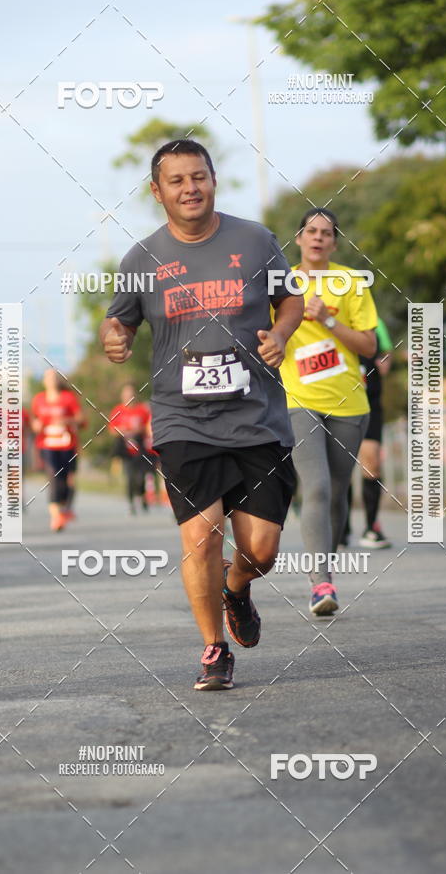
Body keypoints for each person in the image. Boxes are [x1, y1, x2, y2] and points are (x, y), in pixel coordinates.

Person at [100, 139, 303, 691]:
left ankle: (237, 589)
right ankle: (214, 648)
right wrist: (114, 337)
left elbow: (290, 299)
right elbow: (118, 321)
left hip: (256, 416)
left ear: (214, 181)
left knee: (260, 549)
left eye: (199, 177)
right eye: (177, 181)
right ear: (157, 191)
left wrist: (281, 334)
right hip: (182, 419)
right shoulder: (142, 259)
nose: (190, 188)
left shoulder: (255, 240)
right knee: (202, 536)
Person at [278, 208, 377, 615]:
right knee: (315, 486)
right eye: (311, 231)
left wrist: (328, 322)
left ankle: (327, 571)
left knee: (337, 493)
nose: (318, 238)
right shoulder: (280, 283)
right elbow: (261, 333)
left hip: (349, 401)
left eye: (327, 233)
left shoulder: (351, 281)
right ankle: (320, 584)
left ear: (335, 242)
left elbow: (370, 347)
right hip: (298, 398)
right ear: (299, 238)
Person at [343, 319, 393, 548]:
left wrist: (383, 361)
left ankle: (371, 527)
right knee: (340, 467)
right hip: (339, 403)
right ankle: (341, 528)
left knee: (371, 461)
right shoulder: (328, 313)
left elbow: (385, 356)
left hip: (369, 402)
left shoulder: (374, 320)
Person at [31, 369, 86, 532]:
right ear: (44, 382)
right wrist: (37, 425)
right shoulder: (38, 400)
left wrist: (67, 420)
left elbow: (81, 419)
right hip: (47, 445)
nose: (51, 380)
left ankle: (65, 508)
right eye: (48, 377)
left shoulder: (68, 398)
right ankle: (56, 517)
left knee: (67, 480)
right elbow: (33, 422)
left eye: (54, 377)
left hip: (67, 445)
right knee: (54, 476)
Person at [108, 383, 151, 514]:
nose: (128, 397)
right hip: (125, 449)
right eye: (126, 394)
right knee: (130, 477)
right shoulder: (117, 410)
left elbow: (148, 427)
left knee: (141, 476)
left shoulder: (142, 410)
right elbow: (111, 429)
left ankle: (142, 496)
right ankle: (131, 503)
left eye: (131, 394)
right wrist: (122, 431)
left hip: (140, 448)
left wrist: (138, 430)